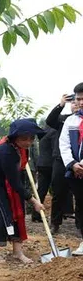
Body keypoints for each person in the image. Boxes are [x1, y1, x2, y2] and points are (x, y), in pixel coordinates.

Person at [0, 118, 45, 263]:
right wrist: (33, 201)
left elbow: (16, 176)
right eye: (24, 139)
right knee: (2, 212)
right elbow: (14, 182)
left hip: (10, 179)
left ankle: (17, 251)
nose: (28, 142)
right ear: (15, 137)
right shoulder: (6, 151)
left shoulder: (21, 148)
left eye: (31, 138)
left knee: (18, 211)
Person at [47, 93, 79, 233]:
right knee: (58, 193)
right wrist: (61, 104)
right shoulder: (64, 120)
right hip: (61, 161)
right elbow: (50, 120)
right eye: (74, 102)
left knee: (80, 194)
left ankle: (80, 225)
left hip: (80, 162)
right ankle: (55, 223)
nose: (77, 104)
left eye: (79, 101)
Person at [60, 83, 83, 255]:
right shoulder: (71, 120)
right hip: (75, 171)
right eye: (78, 99)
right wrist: (73, 164)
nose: (80, 102)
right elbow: (64, 144)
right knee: (81, 205)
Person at [34, 126, 57, 223]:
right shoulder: (54, 131)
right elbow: (54, 149)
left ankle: (36, 215)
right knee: (56, 190)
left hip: (42, 163)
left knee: (41, 190)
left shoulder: (43, 131)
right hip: (51, 163)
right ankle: (55, 218)